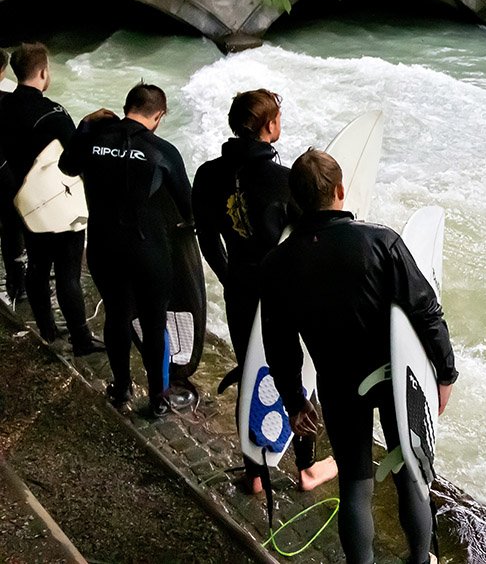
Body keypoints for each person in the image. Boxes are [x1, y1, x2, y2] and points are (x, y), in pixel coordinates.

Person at [260, 149, 457, 564]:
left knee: (354, 482)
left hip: (337, 382)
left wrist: (295, 400)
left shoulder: (278, 263)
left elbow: (279, 343)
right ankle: (420, 560)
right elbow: (426, 311)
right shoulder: (380, 241)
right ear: (340, 190)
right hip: (393, 377)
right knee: (408, 473)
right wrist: (444, 373)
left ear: (295, 198)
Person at [192, 89, 337, 494]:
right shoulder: (284, 179)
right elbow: (313, 237)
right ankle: (305, 468)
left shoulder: (208, 174)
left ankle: (255, 473)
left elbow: (206, 238)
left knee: (251, 369)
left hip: (240, 288)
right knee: (298, 376)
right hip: (284, 293)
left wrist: (229, 278)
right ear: (269, 126)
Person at [59, 83, 194, 416]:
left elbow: (66, 165)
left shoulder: (92, 141)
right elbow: (189, 210)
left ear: (125, 107)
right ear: (158, 116)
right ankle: (158, 398)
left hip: (104, 248)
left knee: (116, 315)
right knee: (153, 323)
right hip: (149, 250)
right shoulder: (163, 151)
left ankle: (121, 389)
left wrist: (86, 124)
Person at [0, 42, 101, 355]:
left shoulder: (2, 106)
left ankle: (46, 328)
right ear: (43, 73)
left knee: (37, 267)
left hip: (21, 200)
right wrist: (86, 127)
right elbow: (76, 159)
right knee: (68, 274)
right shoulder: (52, 113)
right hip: (56, 203)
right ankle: (81, 338)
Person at [0, 48, 26, 305]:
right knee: (11, 228)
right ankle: (16, 284)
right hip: (5, 176)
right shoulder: (6, 102)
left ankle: (16, 282)